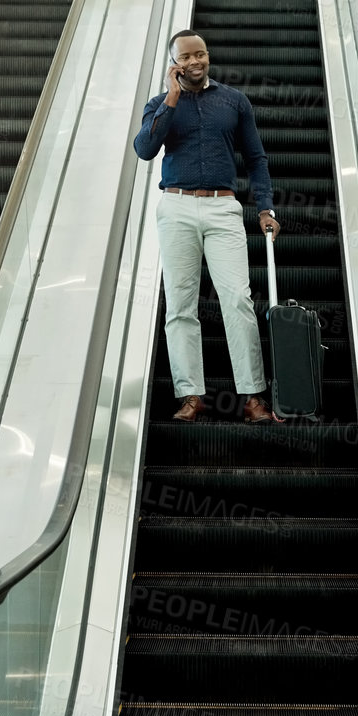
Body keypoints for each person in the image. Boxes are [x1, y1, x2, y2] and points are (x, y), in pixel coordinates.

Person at [133, 29, 281, 423]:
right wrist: (171, 98)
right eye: (186, 57)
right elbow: (145, 149)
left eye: (200, 54)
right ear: (174, 64)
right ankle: (191, 396)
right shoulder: (159, 104)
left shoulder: (234, 101)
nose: (195, 61)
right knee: (180, 304)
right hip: (176, 207)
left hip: (223, 208)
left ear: (208, 56)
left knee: (238, 300)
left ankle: (252, 397)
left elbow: (256, 158)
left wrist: (265, 208)